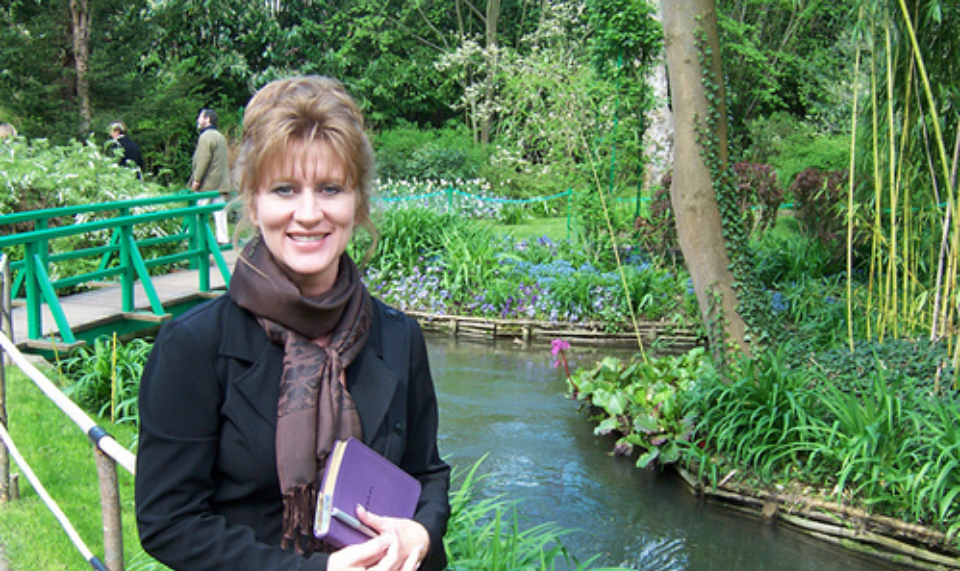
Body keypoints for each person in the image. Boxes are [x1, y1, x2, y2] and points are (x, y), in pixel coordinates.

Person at [135, 76, 451, 571]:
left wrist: (422, 532)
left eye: (330, 188)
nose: (308, 214)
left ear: (357, 204)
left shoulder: (399, 336)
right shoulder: (194, 347)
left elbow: (427, 472)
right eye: (285, 189)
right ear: (254, 201)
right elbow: (169, 522)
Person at [190, 107, 233, 244]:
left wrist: (197, 179)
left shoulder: (206, 137)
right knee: (220, 212)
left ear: (207, 120)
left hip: (208, 183)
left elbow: (203, 159)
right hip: (221, 182)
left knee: (197, 211)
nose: (198, 120)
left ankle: (191, 239)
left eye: (200, 117)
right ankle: (223, 238)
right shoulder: (219, 136)